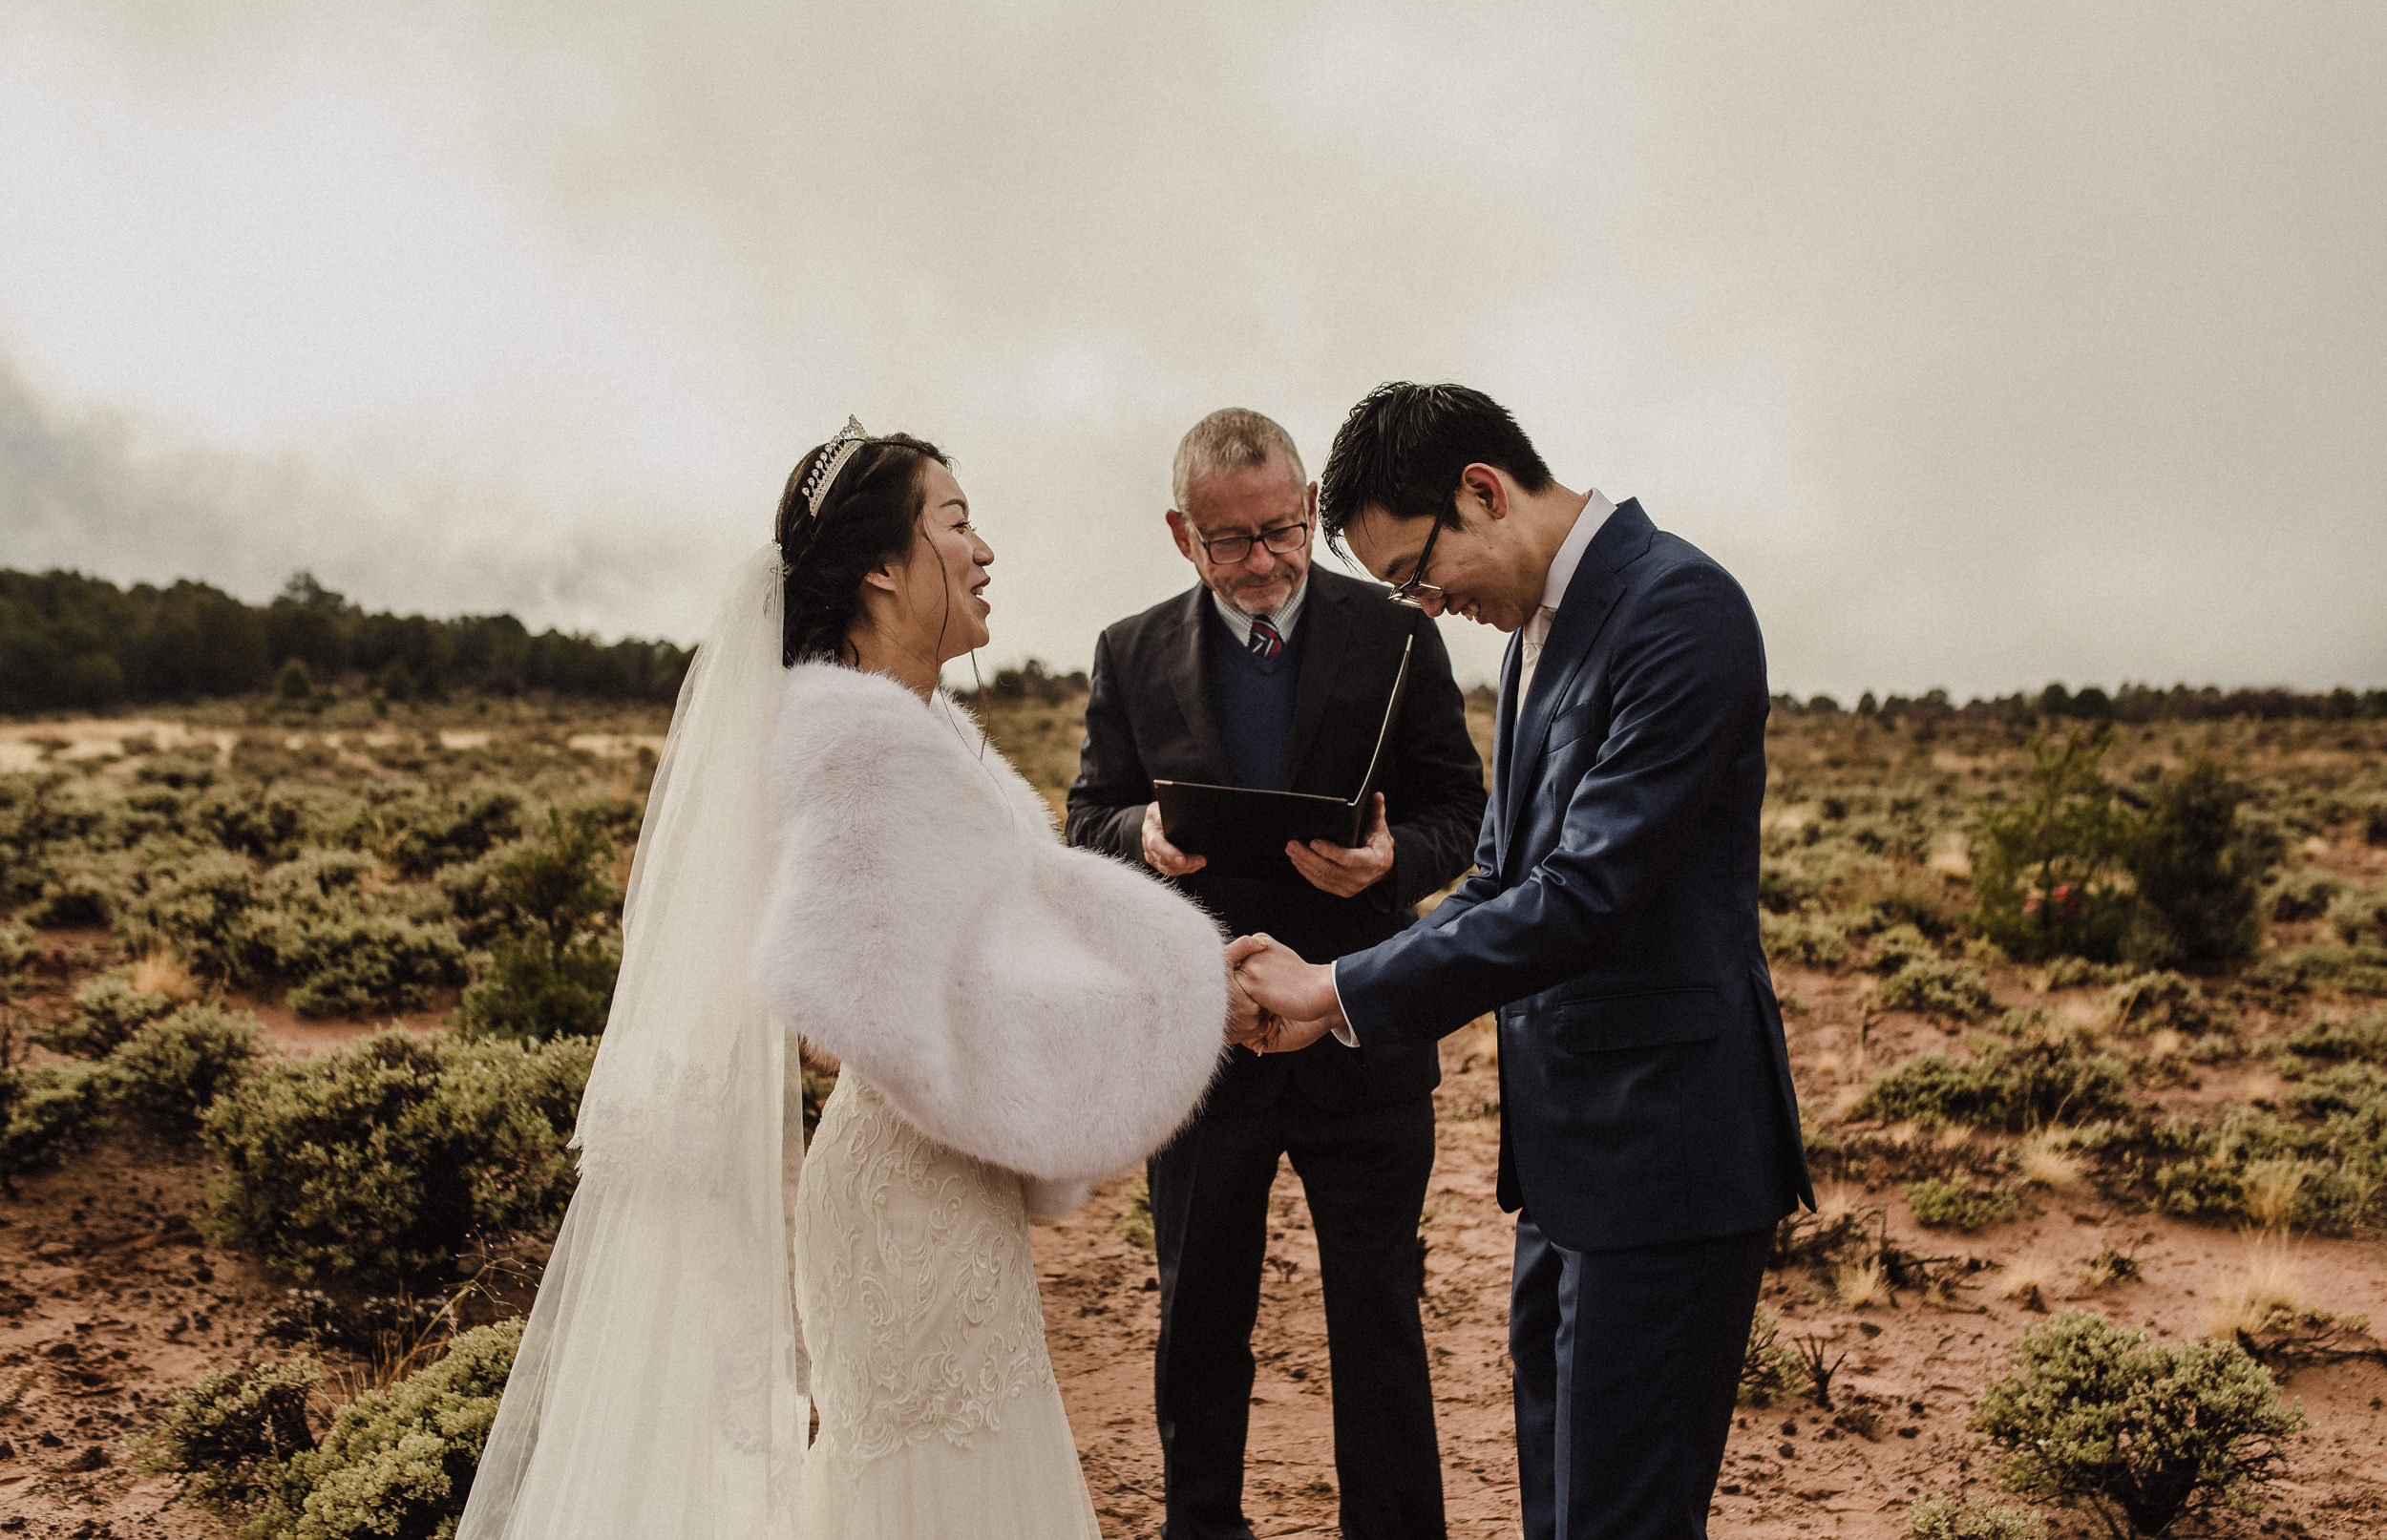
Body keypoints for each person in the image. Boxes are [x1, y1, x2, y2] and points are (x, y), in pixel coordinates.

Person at [459, 419, 1250, 1540]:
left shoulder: (932, 733)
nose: (984, 553)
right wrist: (1187, 1002)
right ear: (882, 565)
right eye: (958, 523)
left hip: (946, 1191)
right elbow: (866, 993)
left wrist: (1186, 984)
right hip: (908, 1203)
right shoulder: (852, 739)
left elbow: (1014, 933)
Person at [1230, 384, 1813, 1540]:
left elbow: (1584, 898)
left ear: (1481, 491)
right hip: (1566, 1169)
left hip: (1666, 1159)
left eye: (1416, 572)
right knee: (1564, 1513)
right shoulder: (1541, 632)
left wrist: (1336, 987)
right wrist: (1337, 991)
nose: (1429, 605)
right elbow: (1501, 882)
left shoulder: (1680, 609)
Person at [1067, 409, 1487, 1540]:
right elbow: (1084, 819)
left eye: (1283, 530)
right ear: (1179, 534)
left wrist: (1396, 858)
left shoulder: (1401, 635)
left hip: (1364, 1034)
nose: (1263, 560)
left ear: (1307, 509)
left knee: (1379, 1321)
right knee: (1198, 1323)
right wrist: (1137, 838)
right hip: (1203, 1048)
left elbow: (1464, 812)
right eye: (1229, 540)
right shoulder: (1129, 650)